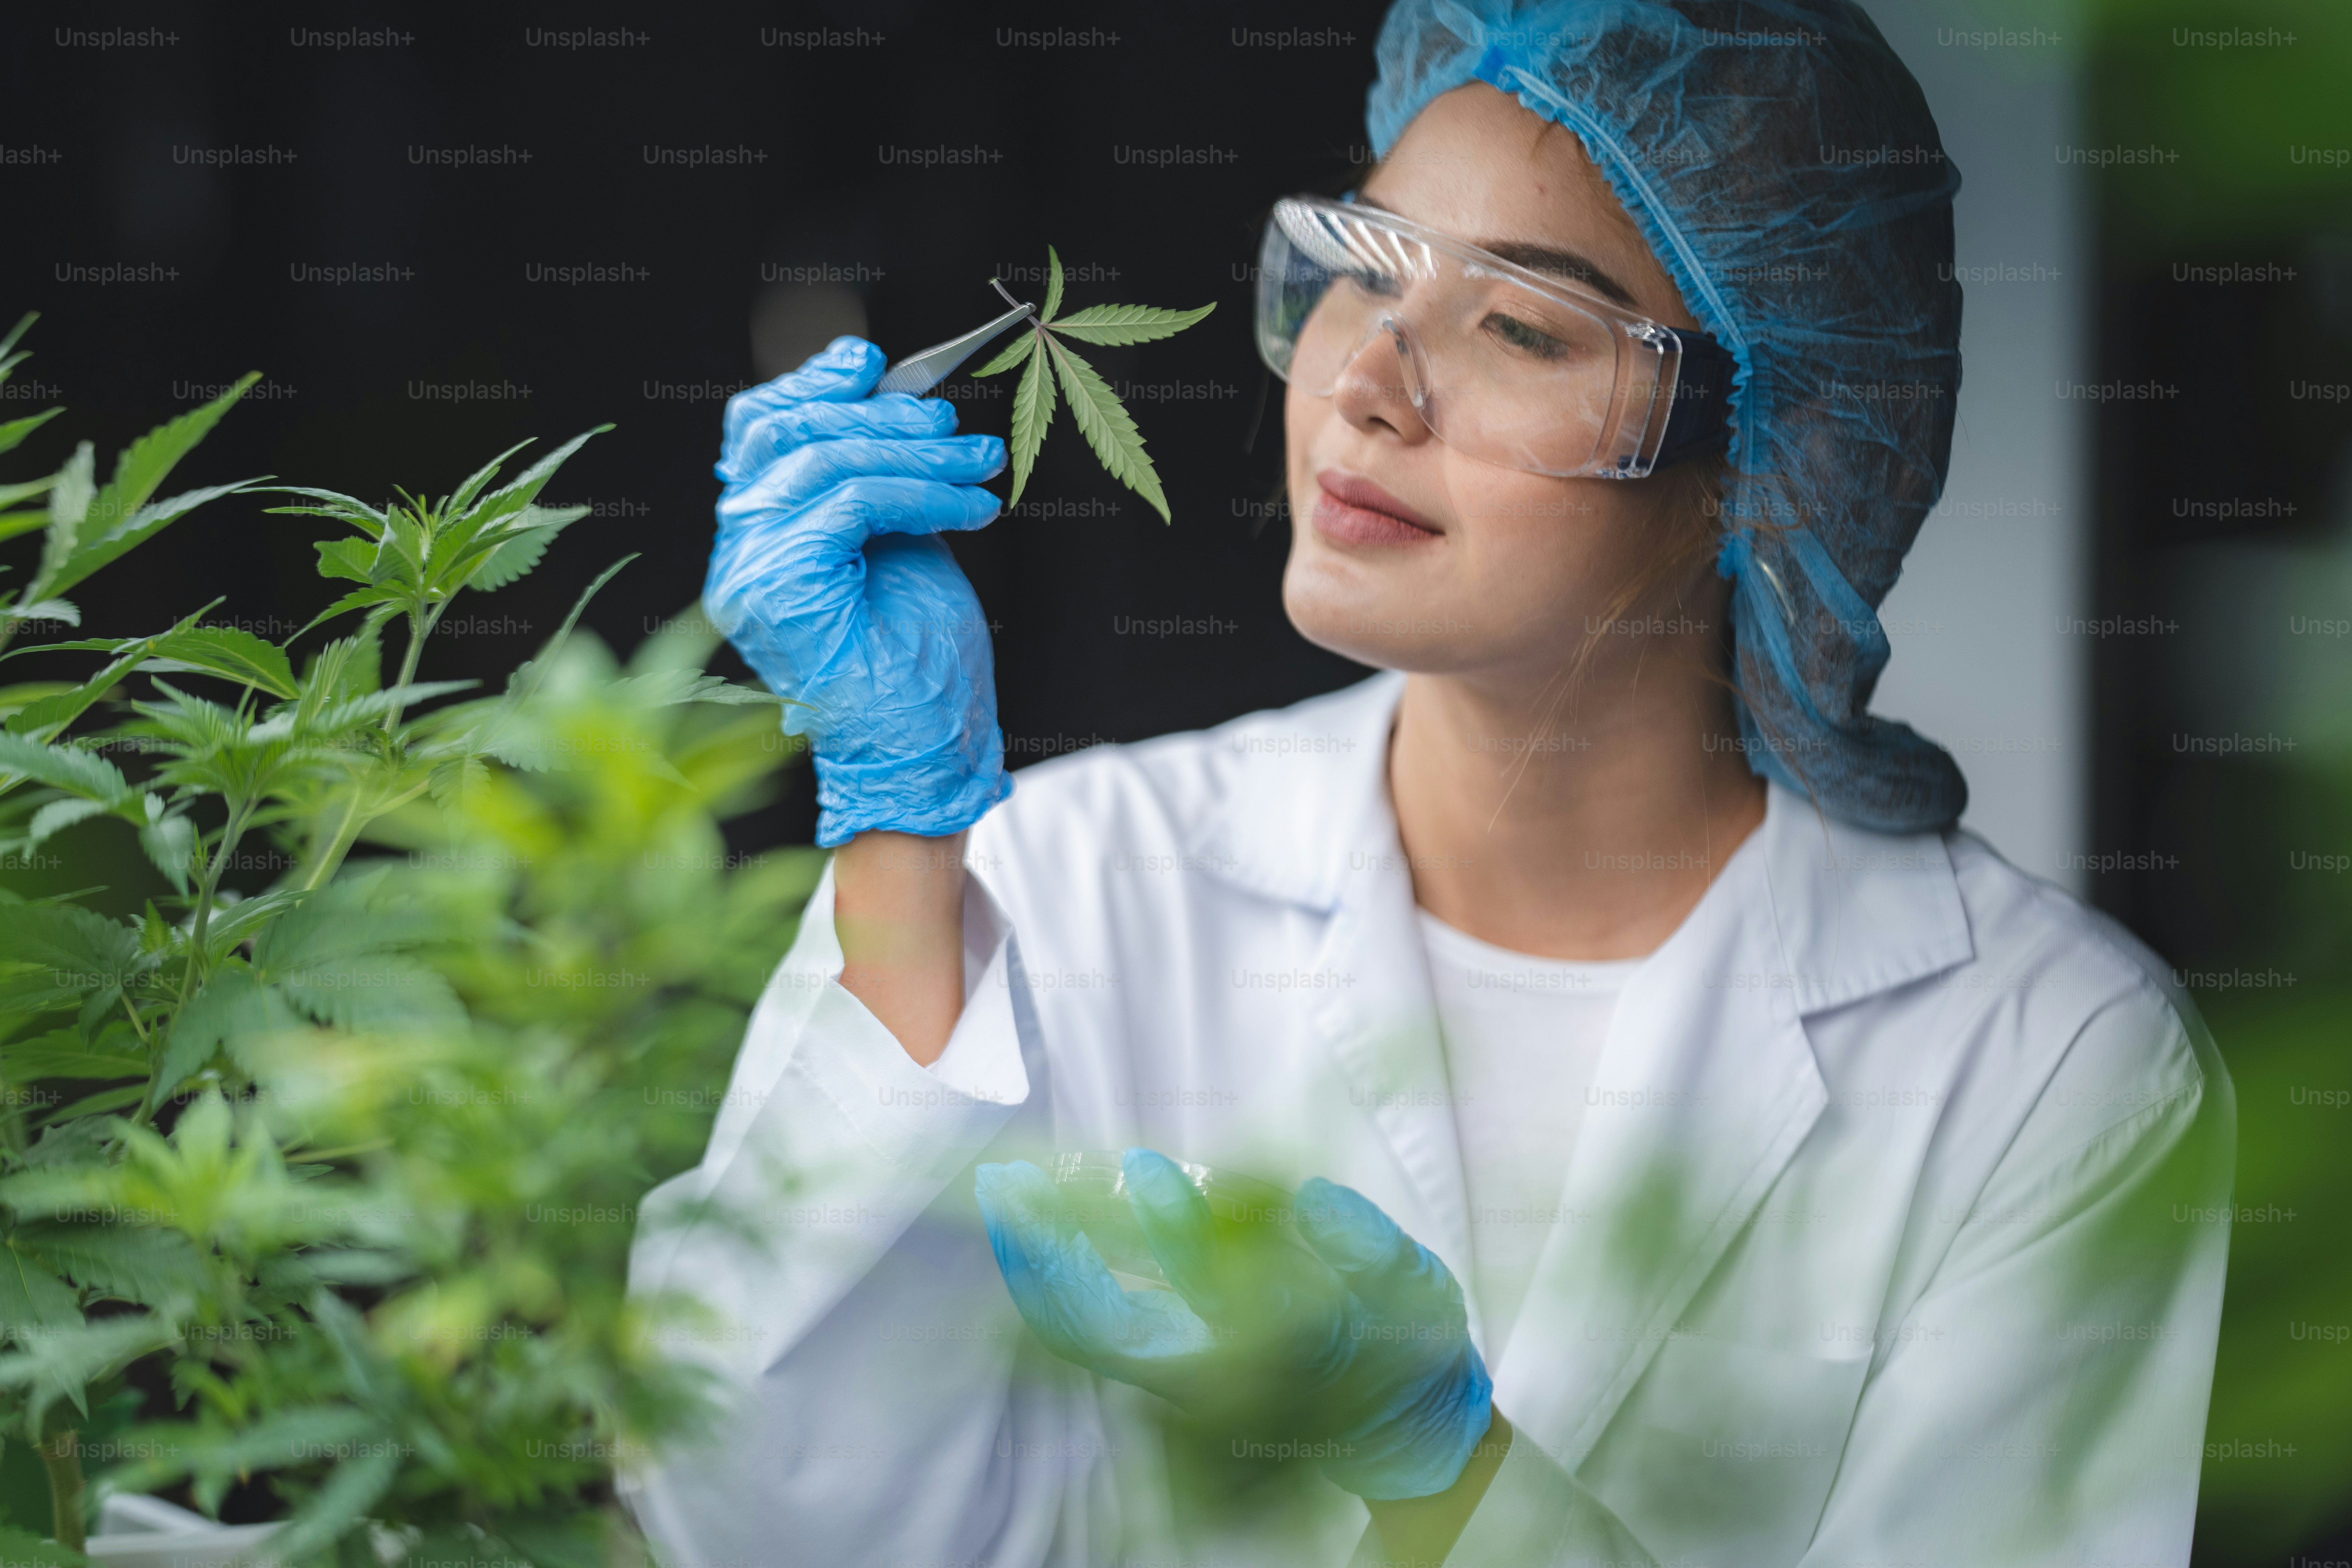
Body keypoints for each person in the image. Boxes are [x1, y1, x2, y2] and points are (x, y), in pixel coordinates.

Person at [623, 3, 2235, 1564]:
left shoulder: (2049, 1064)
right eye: (1357, 268)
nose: (1369, 383)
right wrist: (901, 833)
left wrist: (1441, 1471)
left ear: (1763, 460)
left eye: (1523, 325)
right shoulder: (1076, 876)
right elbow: (752, 1526)